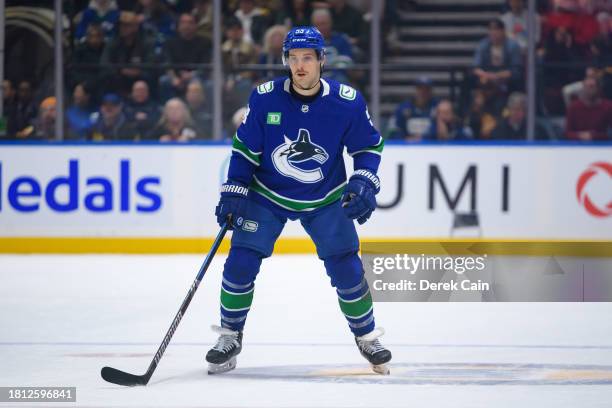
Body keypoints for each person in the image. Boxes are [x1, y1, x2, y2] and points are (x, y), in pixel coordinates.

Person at [205, 26, 392, 376]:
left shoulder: (347, 102)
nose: (300, 66)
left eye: (307, 58)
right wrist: (234, 187)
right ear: (286, 61)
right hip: (267, 194)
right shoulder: (265, 97)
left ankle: (367, 336)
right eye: (293, 59)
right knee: (241, 262)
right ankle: (229, 336)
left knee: (346, 267)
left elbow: (368, 147)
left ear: (322, 60)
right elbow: (245, 150)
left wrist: (365, 179)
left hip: (325, 197)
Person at [473, 19, 522, 95]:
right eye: (491, 29)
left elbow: (515, 70)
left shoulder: (513, 46)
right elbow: (476, 68)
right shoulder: (483, 45)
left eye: (496, 29)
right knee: (469, 80)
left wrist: (496, 76)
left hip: (507, 80)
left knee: (516, 80)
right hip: (487, 78)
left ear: (503, 31)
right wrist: (487, 75)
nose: (493, 33)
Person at [389, 76, 438, 140]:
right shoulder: (403, 108)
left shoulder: (437, 108)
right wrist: (405, 139)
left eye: (427, 89)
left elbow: (439, 132)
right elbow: (393, 129)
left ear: (431, 91)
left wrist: (423, 138)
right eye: (420, 88)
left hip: (431, 147)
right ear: (416, 90)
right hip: (406, 146)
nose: (423, 92)